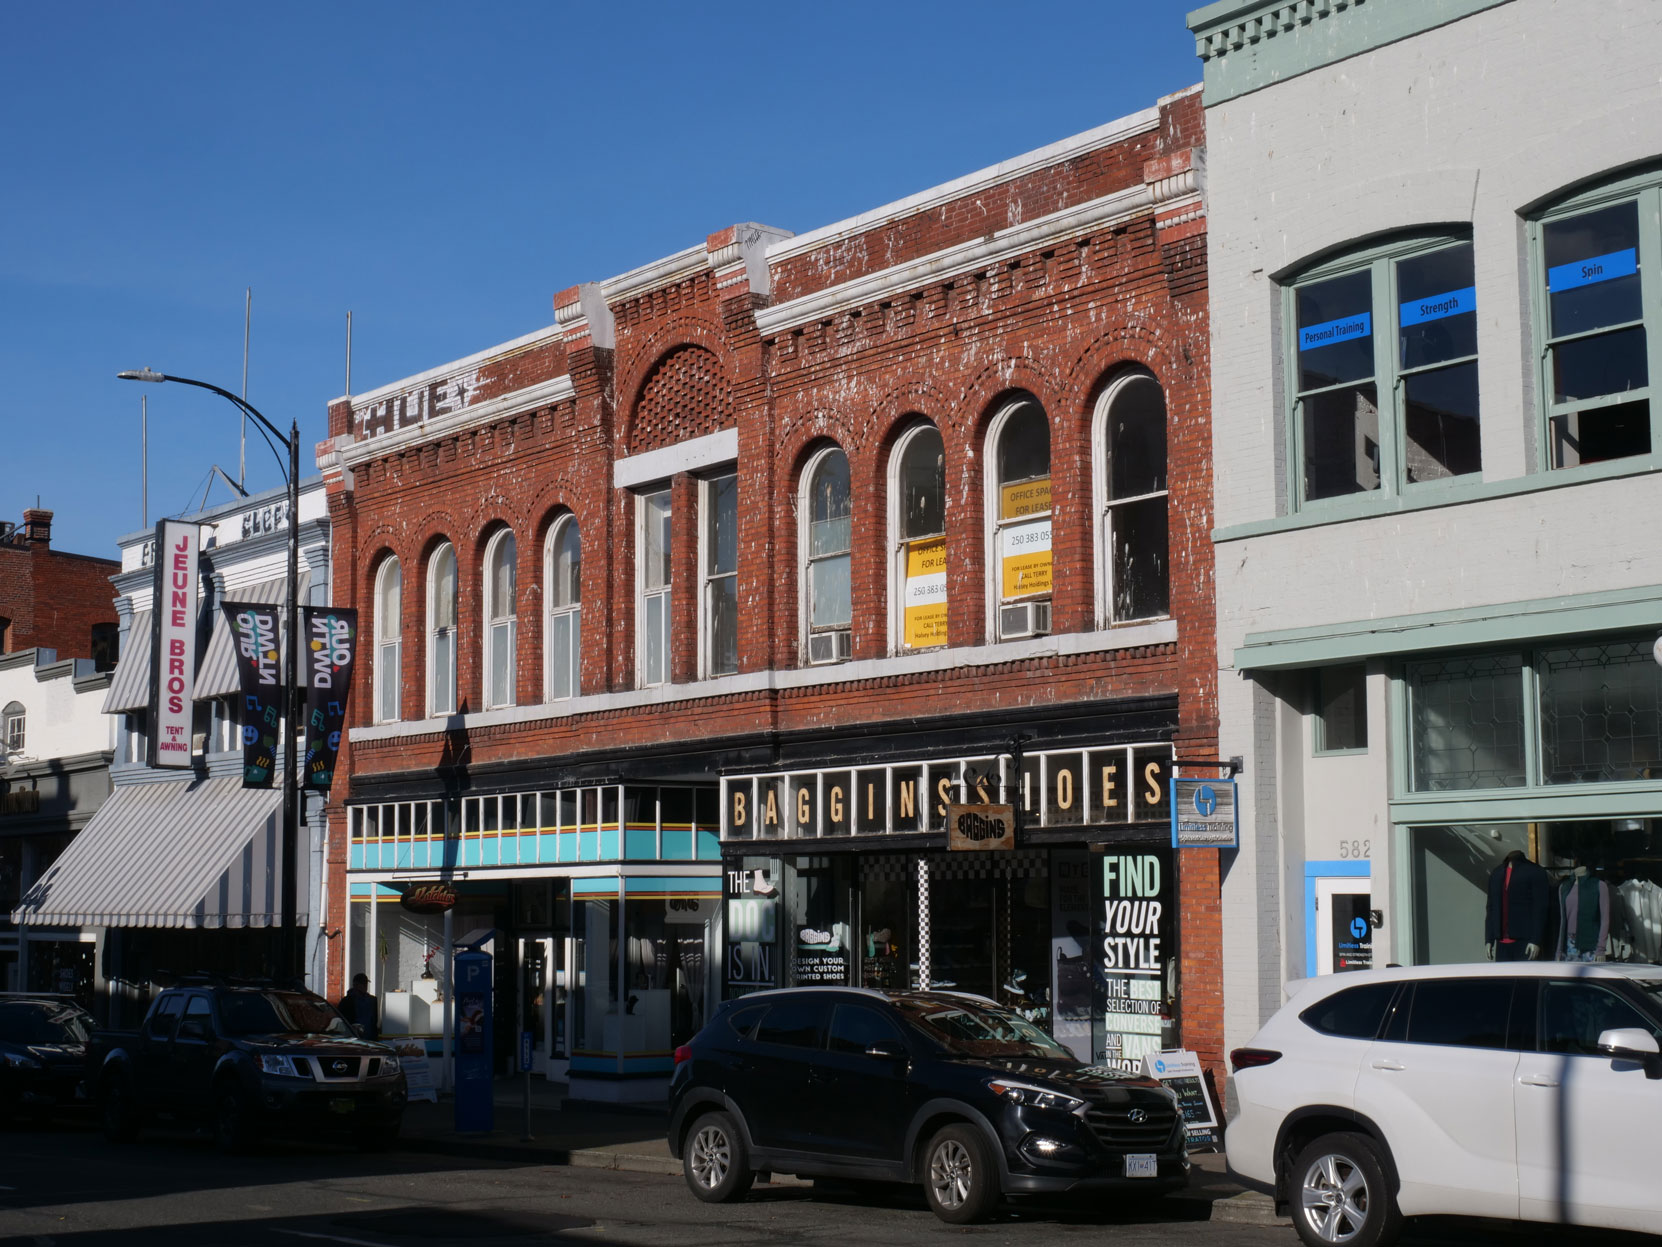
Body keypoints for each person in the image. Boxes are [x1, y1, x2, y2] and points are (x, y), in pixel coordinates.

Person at [339, 972, 379, 1040]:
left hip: (370, 1038)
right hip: (353, 1038)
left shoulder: (372, 1000)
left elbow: (374, 1020)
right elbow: (342, 1020)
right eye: (363, 984)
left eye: (365, 984)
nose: (365, 986)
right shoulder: (347, 1001)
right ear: (356, 985)